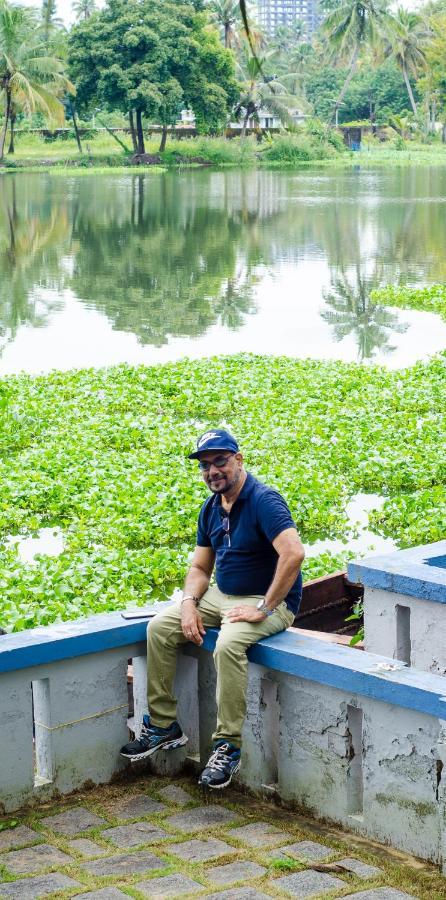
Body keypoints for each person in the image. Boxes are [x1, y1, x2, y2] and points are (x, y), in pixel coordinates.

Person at [120, 429, 305, 789]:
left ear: (239, 459)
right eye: (205, 465)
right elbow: (200, 569)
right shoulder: (210, 508)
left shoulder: (264, 500)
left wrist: (264, 608)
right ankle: (163, 726)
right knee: (160, 627)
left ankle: (227, 748)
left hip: (269, 601)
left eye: (220, 461)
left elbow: (294, 553)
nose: (212, 471)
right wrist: (189, 604)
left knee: (228, 644)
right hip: (221, 595)